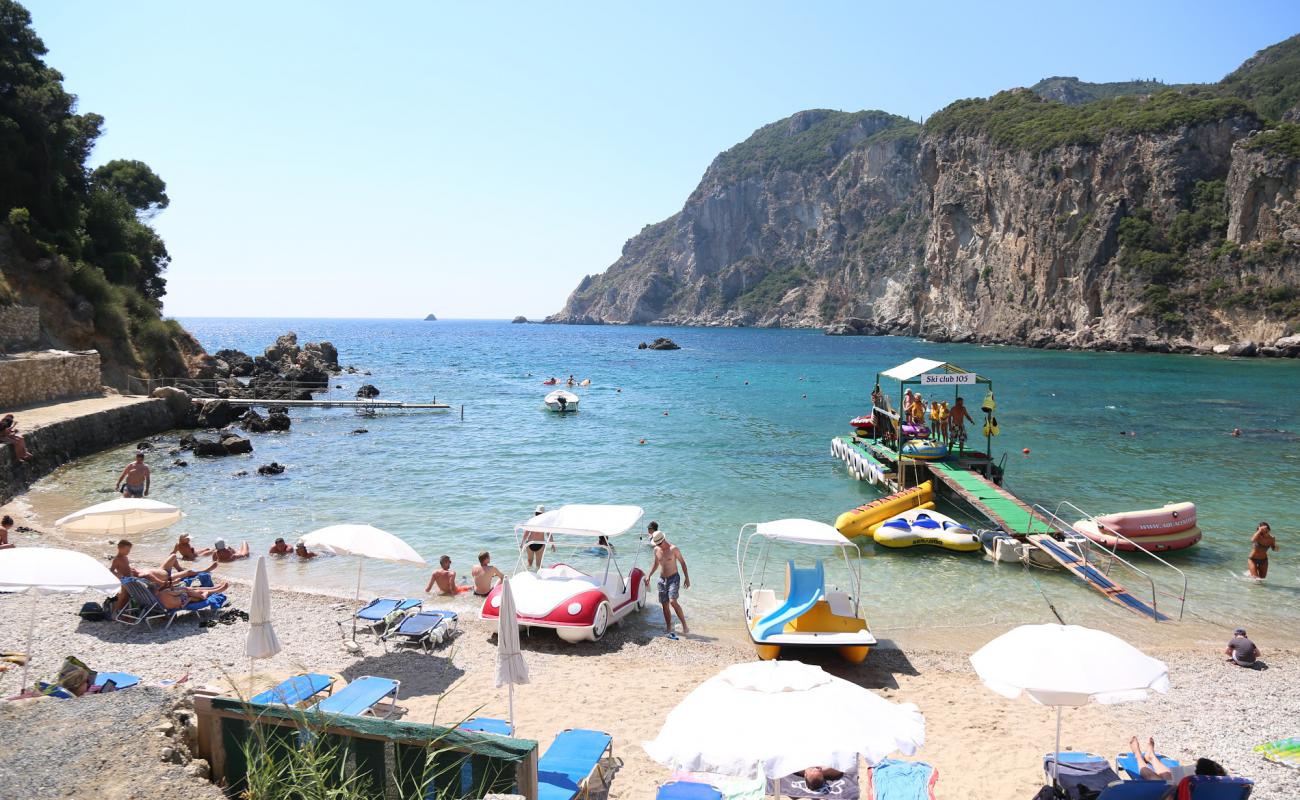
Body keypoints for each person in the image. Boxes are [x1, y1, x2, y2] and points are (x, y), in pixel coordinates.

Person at [645, 524, 690, 637]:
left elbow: (683, 563)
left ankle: (684, 624)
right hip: (662, 579)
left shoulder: (673, 549)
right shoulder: (656, 549)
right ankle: (669, 627)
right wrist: (649, 575)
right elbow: (656, 564)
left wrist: (687, 578)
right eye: (657, 544)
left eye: (659, 543)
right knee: (664, 605)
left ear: (663, 539)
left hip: (674, 578)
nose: (658, 545)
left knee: (672, 601)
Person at [522, 505, 550, 570]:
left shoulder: (532, 521)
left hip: (531, 544)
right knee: (536, 564)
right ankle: (536, 577)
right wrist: (553, 543)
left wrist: (522, 543)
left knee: (531, 563)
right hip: (537, 544)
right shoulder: (544, 522)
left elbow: (526, 533)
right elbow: (549, 533)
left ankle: (529, 575)